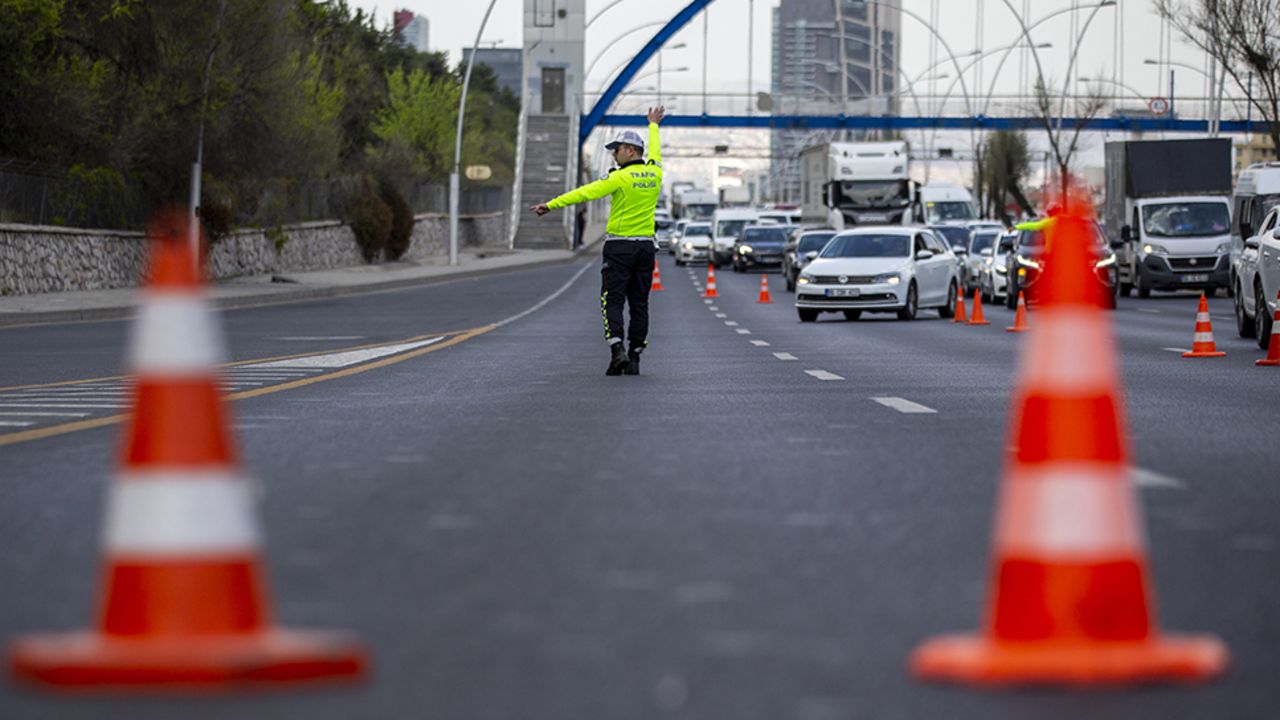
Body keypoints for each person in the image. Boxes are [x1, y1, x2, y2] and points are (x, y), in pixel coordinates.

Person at [531, 106, 665, 376]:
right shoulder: (655, 173)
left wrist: (551, 205)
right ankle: (636, 355)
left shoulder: (619, 178)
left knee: (612, 300)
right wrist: (653, 125)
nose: (614, 155)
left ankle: (617, 351)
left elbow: (585, 193)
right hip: (645, 248)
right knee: (639, 303)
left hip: (619, 247)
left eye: (616, 150)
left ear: (629, 150)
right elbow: (656, 152)